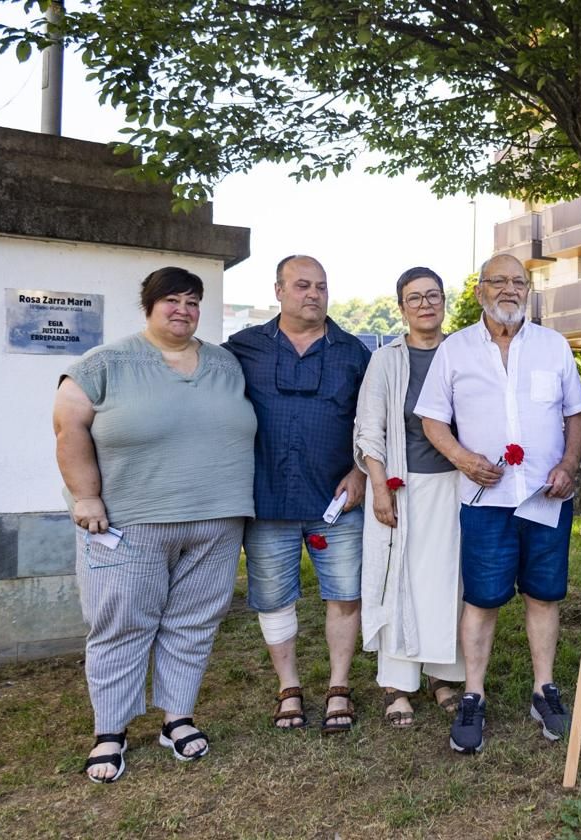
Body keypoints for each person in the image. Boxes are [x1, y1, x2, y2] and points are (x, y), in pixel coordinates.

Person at [53, 267, 256, 782]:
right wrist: (86, 496)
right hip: (130, 522)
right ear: (149, 306)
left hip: (215, 520)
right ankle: (111, 732)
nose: (182, 310)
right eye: (171, 300)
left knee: (192, 624)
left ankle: (177, 719)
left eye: (192, 301)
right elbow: (68, 427)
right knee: (121, 624)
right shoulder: (104, 363)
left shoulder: (225, 363)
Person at [415, 253, 581, 754]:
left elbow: (575, 413)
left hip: (544, 495)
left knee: (544, 594)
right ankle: (473, 695)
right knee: (482, 599)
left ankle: (544, 689)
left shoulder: (553, 347)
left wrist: (569, 462)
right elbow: (431, 419)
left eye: (518, 282)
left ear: (528, 291)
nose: (509, 289)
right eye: (498, 281)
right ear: (479, 291)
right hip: (484, 498)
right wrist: (463, 458)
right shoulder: (456, 350)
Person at [224, 255, 371, 734]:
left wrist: (360, 472)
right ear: (279, 291)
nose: (314, 294)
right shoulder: (240, 350)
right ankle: (288, 687)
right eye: (303, 285)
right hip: (267, 499)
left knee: (345, 595)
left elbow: (372, 423)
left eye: (322, 286)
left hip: (337, 499)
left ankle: (339, 686)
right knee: (273, 598)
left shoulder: (353, 352)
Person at [354, 267, 465, 728]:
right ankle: (398, 684)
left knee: (447, 581)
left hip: (455, 484)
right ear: (401, 307)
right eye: (414, 297)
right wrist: (379, 487)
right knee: (397, 579)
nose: (425, 304)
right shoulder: (386, 360)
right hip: (401, 485)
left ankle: (444, 675)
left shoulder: (462, 352)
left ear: (443, 302)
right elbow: (369, 426)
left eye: (433, 295)